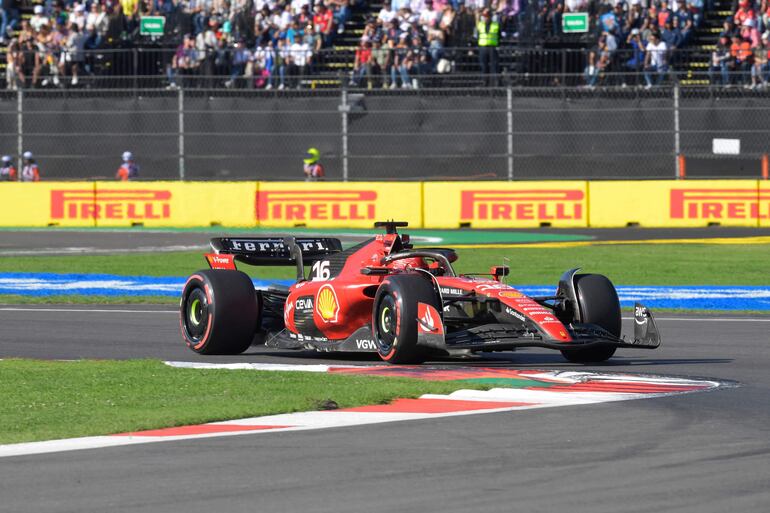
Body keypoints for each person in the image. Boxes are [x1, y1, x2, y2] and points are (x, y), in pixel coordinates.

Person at [476, 8, 500, 85]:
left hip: (492, 47)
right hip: (483, 48)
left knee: (494, 66)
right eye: (484, 16)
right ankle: (485, 82)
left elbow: (499, 36)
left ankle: (496, 82)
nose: (486, 18)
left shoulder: (495, 25)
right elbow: (478, 35)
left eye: (487, 16)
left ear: (490, 17)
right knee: (484, 66)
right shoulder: (481, 25)